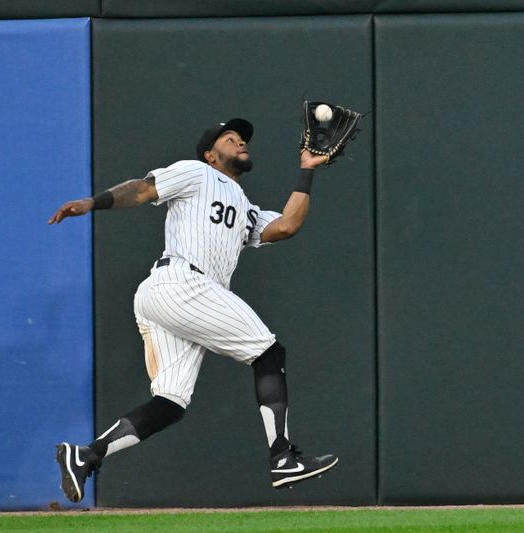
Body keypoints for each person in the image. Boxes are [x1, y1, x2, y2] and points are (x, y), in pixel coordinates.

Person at [49, 118, 338, 503]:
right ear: (209, 154)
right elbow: (143, 190)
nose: (239, 141)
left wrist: (306, 170)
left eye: (242, 138)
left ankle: (86, 454)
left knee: (170, 403)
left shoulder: (245, 209)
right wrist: (94, 202)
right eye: (229, 138)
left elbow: (286, 226)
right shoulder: (197, 173)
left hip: (172, 295)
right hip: (182, 283)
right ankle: (282, 457)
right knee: (268, 352)